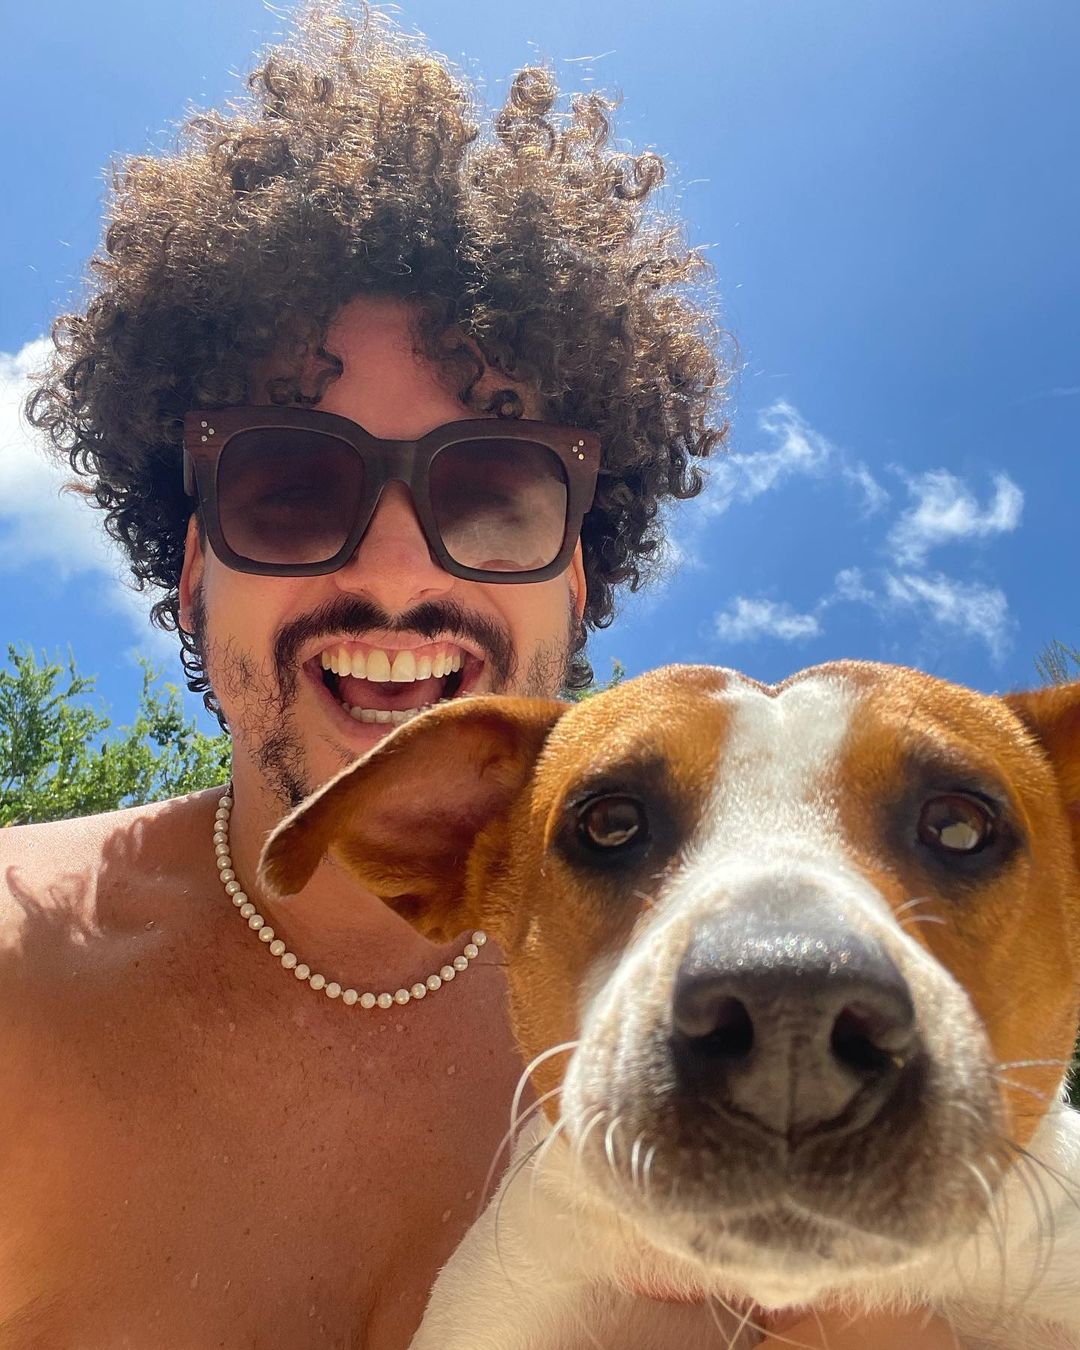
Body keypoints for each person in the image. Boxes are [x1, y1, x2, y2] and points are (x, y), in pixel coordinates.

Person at [3, 5, 962, 1346]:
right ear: (194, 565)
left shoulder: (773, 1016)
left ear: (577, 575)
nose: (398, 569)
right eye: (289, 481)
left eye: (498, 489)